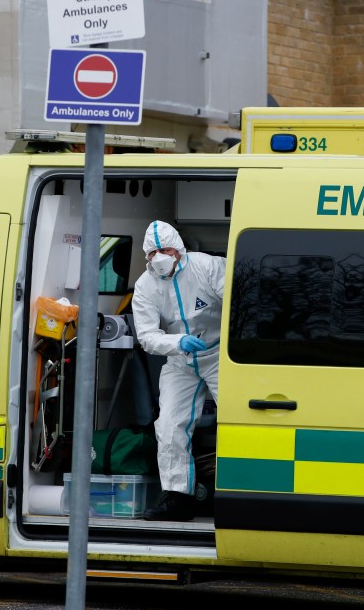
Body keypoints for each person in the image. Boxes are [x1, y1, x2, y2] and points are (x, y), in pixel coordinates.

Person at [132, 220, 225, 521]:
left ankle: (248, 491)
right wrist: (178, 342)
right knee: (169, 424)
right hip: (180, 359)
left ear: (179, 250)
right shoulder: (145, 286)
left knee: (240, 419)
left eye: (166, 249)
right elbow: (146, 336)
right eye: (154, 252)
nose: (160, 256)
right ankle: (176, 498)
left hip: (220, 355)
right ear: (146, 256)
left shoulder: (207, 267)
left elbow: (238, 301)